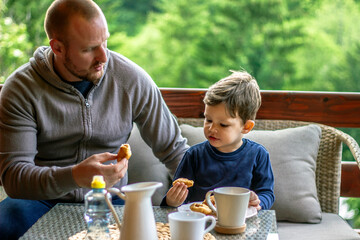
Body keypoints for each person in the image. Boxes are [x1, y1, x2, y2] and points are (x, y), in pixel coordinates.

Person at [0, 0, 188, 239]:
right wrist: (75, 176)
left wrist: (218, 193)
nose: (103, 56)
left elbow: (175, 150)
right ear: (57, 47)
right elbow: (14, 178)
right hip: (40, 201)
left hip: (113, 201)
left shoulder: (132, 79)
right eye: (89, 49)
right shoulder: (21, 89)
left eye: (104, 42)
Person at [161, 71, 275, 210]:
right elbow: (177, 200)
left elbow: (267, 193)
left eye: (223, 125)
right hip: (200, 223)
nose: (212, 128)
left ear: (246, 127)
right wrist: (171, 201)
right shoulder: (194, 155)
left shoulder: (258, 155)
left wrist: (258, 202)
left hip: (240, 224)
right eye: (208, 120)